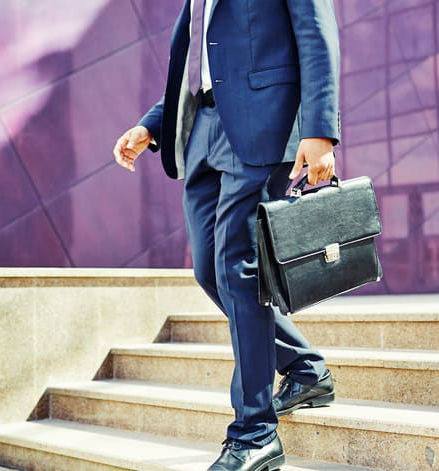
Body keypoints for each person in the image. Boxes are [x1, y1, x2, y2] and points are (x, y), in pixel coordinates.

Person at [111, 1, 341, 470]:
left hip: (264, 125)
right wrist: (151, 125)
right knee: (210, 270)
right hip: (202, 131)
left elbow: (317, 34)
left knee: (237, 268)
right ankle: (305, 367)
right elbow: (200, 62)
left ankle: (255, 434)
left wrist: (320, 130)